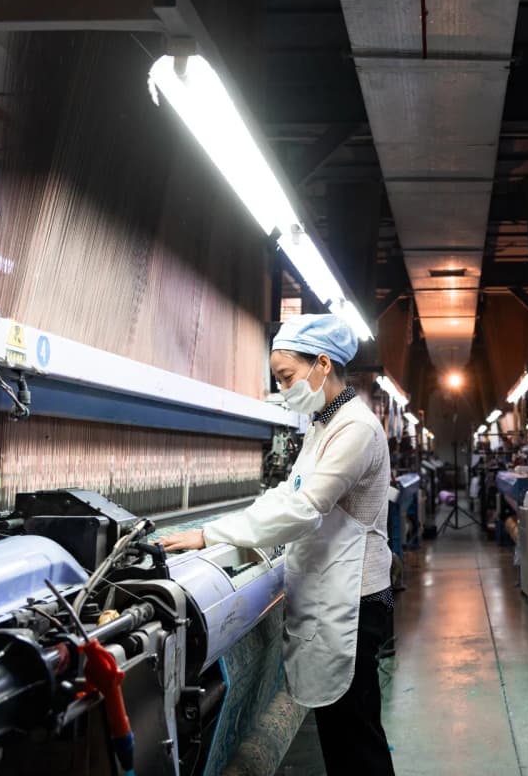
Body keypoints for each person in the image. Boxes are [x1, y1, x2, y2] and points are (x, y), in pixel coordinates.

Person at [158, 314, 395, 776]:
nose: (284, 388)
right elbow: (290, 492)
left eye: (287, 377)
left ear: (322, 364)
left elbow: (304, 507)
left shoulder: (356, 429)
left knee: (356, 738)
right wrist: (234, 524)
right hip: (336, 593)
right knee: (342, 736)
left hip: (356, 600)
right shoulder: (324, 424)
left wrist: (212, 534)